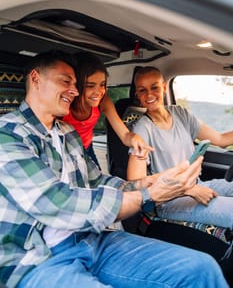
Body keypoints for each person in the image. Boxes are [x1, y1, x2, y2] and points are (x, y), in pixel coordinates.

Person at [0, 51, 228, 288]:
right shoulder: (8, 135)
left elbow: (98, 181)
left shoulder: (68, 134)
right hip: (39, 257)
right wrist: (149, 195)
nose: (76, 92)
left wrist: (151, 181)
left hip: (91, 238)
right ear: (35, 79)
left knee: (201, 268)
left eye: (76, 84)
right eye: (66, 81)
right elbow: (57, 202)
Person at [127, 66, 233, 228]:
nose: (149, 95)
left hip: (199, 185)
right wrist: (187, 189)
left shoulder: (180, 114)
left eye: (154, 87)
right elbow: (135, 181)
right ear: (137, 95)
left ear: (163, 88)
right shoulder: (142, 128)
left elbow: (220, 139)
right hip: (169, 200)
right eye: (142, 90)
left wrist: (194, 187)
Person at [63, 53, 151, 169]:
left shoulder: (103, 101)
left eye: (102, 84)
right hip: (64, 151)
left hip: (87, 148)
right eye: (90, 86)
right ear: (77, 85)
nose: (98, 91)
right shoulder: (64, 105)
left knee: (97, 182)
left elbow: (124, 135)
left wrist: (134, 138)